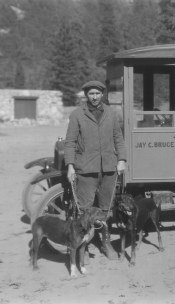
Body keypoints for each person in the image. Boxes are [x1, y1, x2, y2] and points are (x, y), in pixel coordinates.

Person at [64, 80, 127, 259]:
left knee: (105, 209)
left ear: (102, 94)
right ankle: (84, 247)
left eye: (97, 93)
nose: (94, 97)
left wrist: (121, 159)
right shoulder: (77, 114)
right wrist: (70, 166)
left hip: (109, 168)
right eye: (91, 94)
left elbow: (118, 138)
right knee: (85, 210)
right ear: (86, 95)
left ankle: (106, 243)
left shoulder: (111, 113)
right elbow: (70, 142)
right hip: (86, 169)